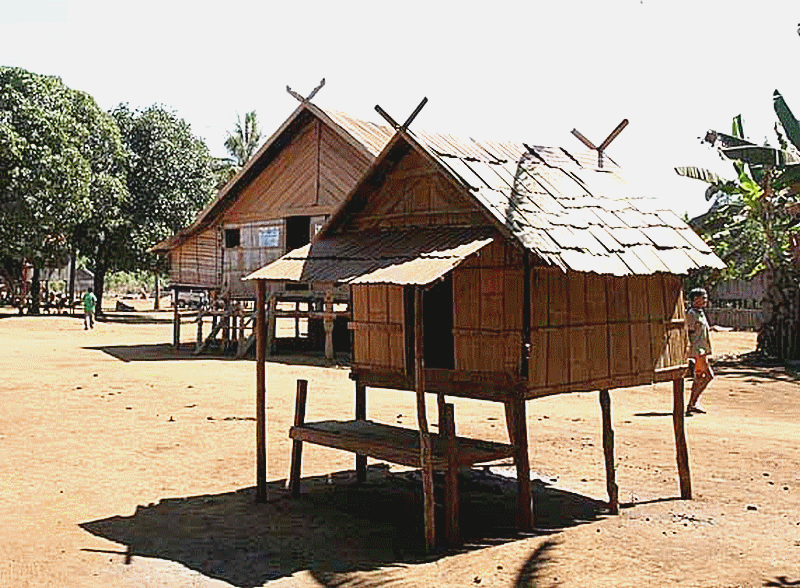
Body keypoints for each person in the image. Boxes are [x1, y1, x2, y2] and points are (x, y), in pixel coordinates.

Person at [685, 287, 714, 415]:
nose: (705, 300)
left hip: (702, 350)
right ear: (695, 299)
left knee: (701, 377)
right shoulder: (691, 314)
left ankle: (692, 403)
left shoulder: (700, 313)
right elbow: (688, 333)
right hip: (697, 351)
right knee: (705, 376)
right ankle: (692, 403)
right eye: (703, 298)